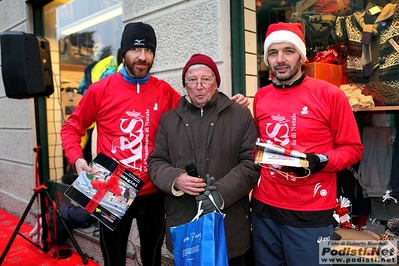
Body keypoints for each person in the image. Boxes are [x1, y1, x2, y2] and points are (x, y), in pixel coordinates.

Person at [60, 22, 249, 266]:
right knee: (113, 258)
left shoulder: (164, 92)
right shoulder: (100, 90)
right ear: (124, 52)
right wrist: (77, 159)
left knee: (152, 258)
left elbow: (196, 109)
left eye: (148, 51)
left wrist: (228, 106)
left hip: (153, 192)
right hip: (111, 190)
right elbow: (71, 128)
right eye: (136, 50)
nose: (142, 57)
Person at [251, 22, 364, 266]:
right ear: (266, 59)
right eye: (273, 52)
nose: (280, 59)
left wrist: (320, 161)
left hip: (310, 211)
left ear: (301, 55)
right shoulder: (261, 96)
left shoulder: (330, 94)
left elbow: (353, 149)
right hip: (264, 208)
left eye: (288, 51)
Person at [148, 53, 260, 266]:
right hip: (185, 223)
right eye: (192, 80)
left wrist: (219, 194)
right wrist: (176, 179)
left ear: (216, 83)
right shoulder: (169, 120)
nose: (199, 86)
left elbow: (251, 163)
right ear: (185, 85)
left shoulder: (240, 115)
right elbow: (156, 162)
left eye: (206, 79)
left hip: (230, 224)